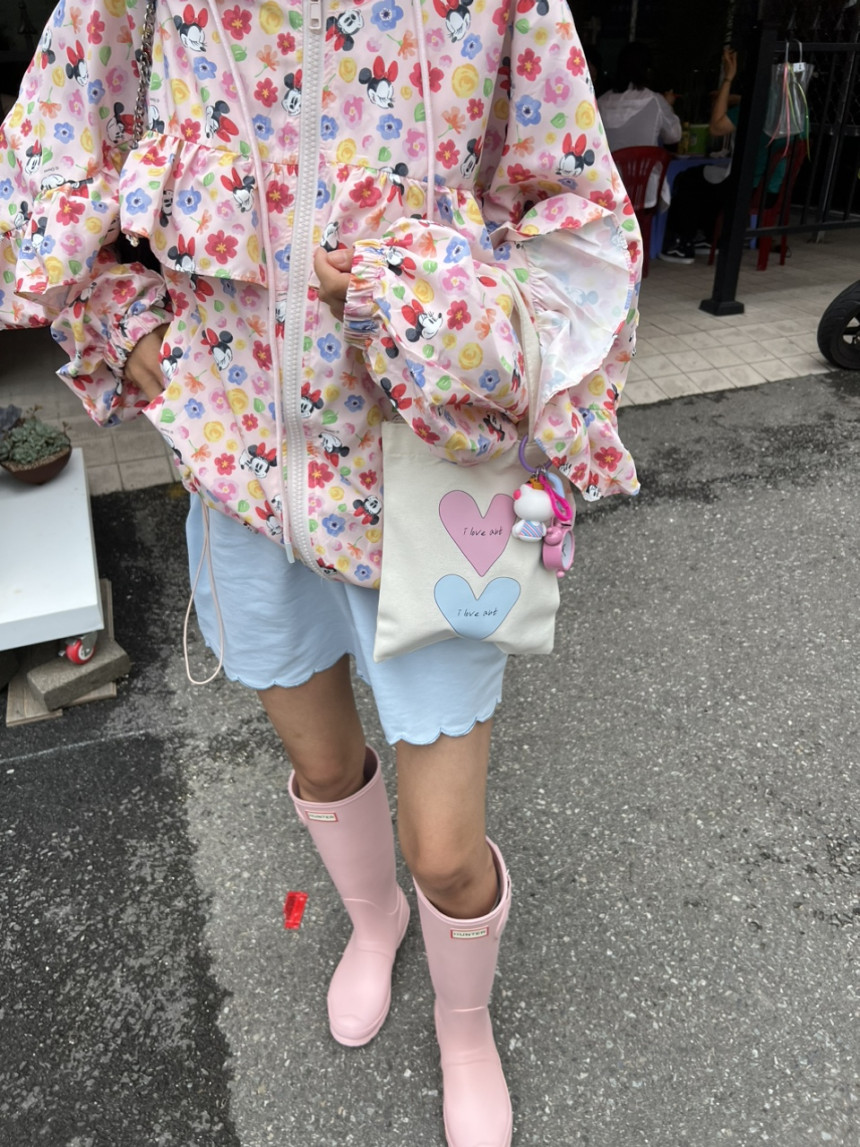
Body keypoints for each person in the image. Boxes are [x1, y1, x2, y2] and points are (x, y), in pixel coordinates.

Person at [0, 1, 640, 1144]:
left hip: (432, 485)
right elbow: (49, 141)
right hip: (244, 476)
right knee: (323, 761)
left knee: (445, 850)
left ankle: (462, 1022)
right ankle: (369, 917)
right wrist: (133, 329)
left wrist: (424, 300)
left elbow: (576, 221)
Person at [659, 46, 791, 264]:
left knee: (691, 178)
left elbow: (716, 128)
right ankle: (709, 237)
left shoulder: (758, 106)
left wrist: (728, 79)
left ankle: (683, 244)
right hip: (772, 190)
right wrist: (734, 99)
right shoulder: (793, 108)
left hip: (748, 188)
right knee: (710, 177)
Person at [598, 41, 682, 207]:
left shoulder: (600, 103)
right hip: (644, 195)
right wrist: (669, 105)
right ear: (647, 70)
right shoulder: (655, 101)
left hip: (607, 195)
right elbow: (674, 136)